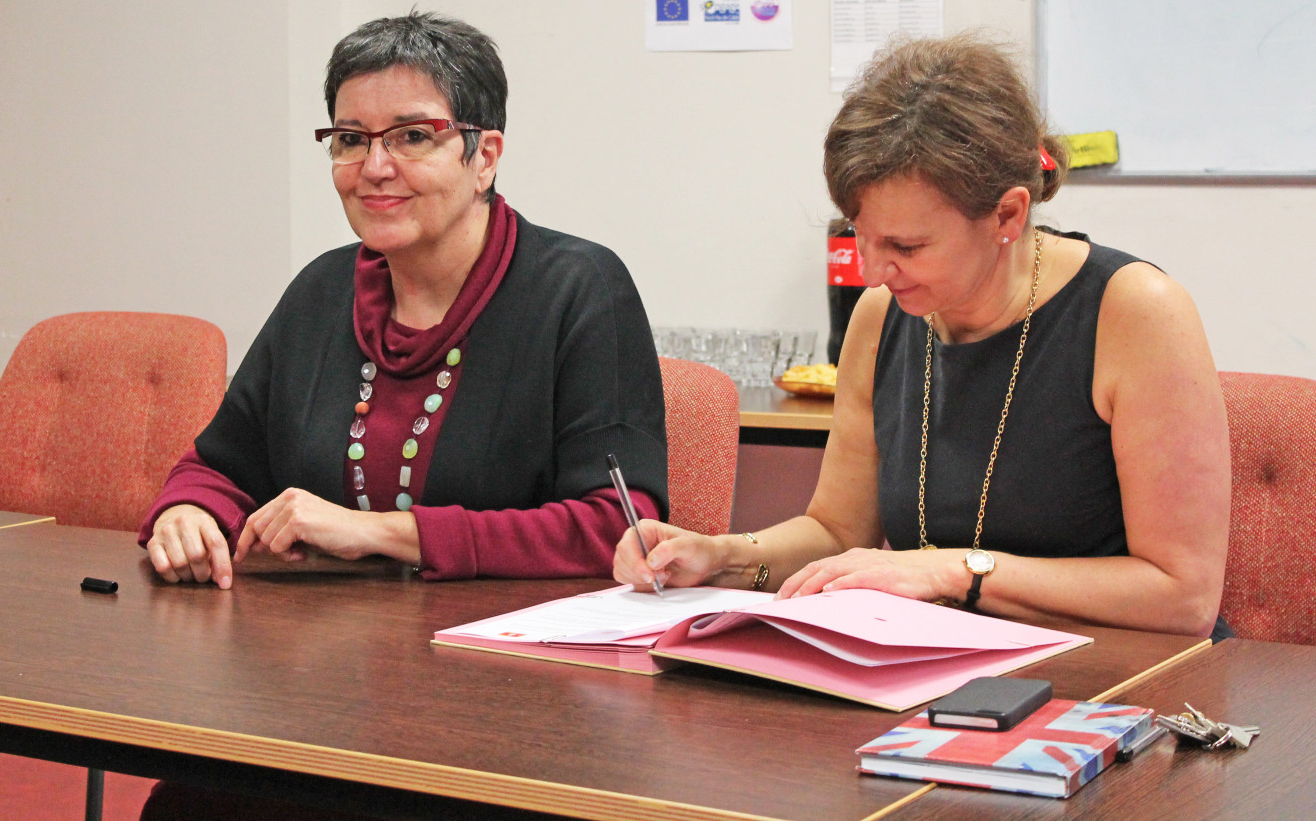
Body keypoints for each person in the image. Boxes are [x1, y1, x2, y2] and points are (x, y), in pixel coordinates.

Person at [615, 33, 1232, 640]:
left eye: (906, 247)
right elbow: (836, 532)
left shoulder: (1134, 311)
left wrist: (952, 570)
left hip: (1123, 684)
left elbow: (1183, 595)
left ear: (1007, 216)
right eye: (861, 234)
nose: (873, 271)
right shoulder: (883, 315)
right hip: (946, 669)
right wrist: (718, 555)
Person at [140, 12, 668, 590]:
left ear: (485, 158)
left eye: (412, 137)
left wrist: (383, 532)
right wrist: (187, 512)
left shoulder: (580, 288)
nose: (374, 169)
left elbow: (619, 526)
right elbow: (218, 467)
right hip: (323, 655)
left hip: (508, 659)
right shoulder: (321, 291)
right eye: (350, 140)